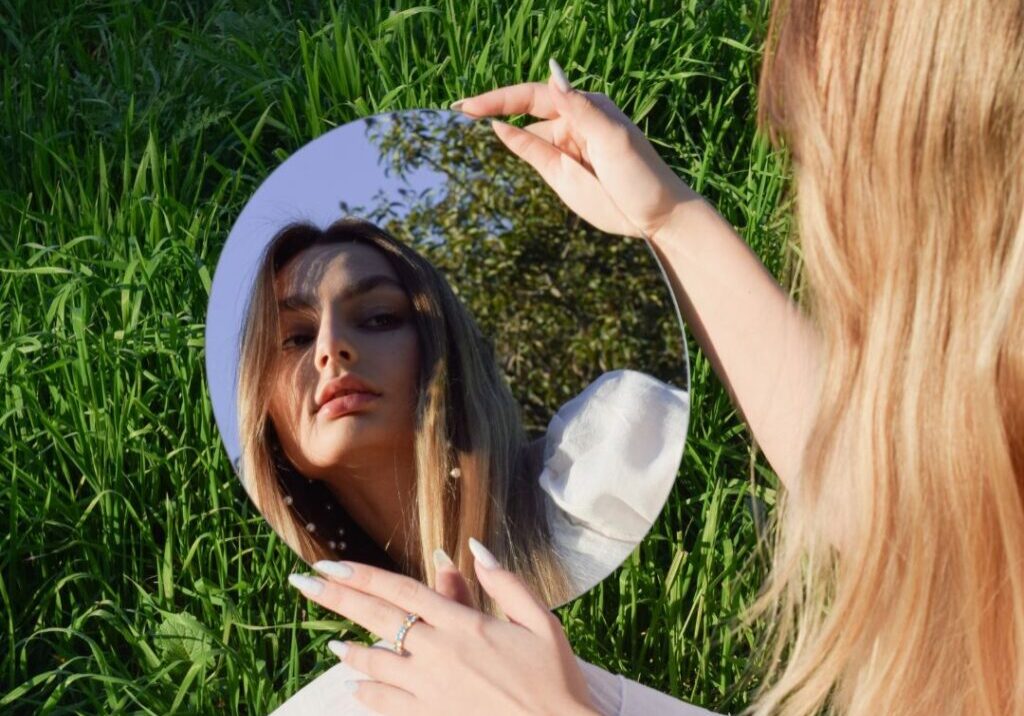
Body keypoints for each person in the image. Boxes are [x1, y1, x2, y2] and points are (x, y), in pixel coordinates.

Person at [283, 0, 1024, 714]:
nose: (812, 219)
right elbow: (908, 499)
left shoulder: (592, 475)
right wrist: (670, 218)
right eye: (290, 335)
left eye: (823, 164)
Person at [237, 217, 690, 617]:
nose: (330, 348)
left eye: (378, 318)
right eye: (295, 338)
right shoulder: (296, 620)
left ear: (442, 350)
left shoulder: (607, 463)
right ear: (263, 409)